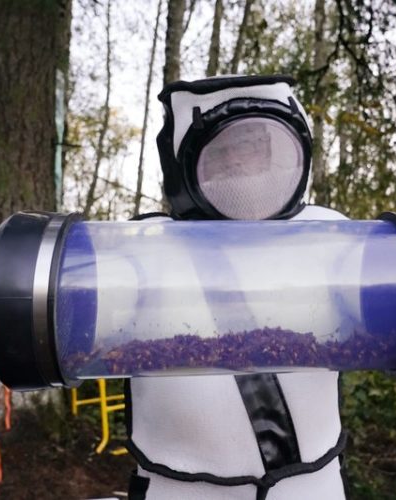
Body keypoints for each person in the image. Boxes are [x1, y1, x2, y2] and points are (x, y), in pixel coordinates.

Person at [125, 75, 347, 500]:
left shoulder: (332, 236)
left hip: (312, 485)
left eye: (254, 148)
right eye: (224, 153)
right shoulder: (142, 251)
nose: (241, 167)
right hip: (181, 488)